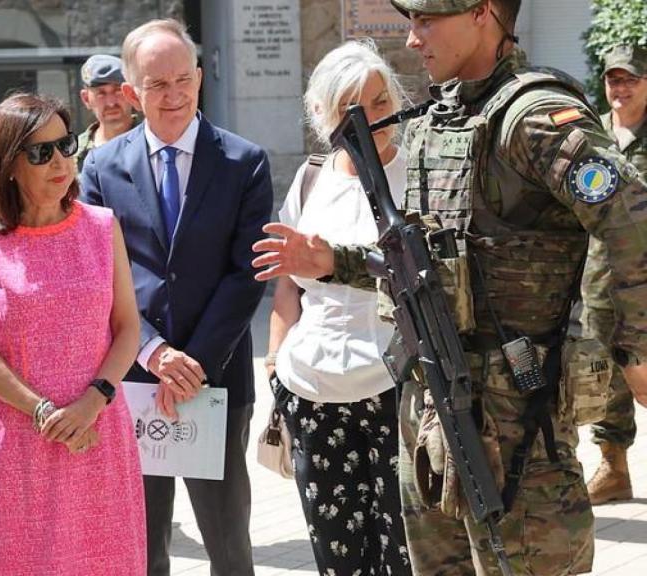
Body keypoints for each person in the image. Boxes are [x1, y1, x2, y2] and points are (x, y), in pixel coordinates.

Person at [253, 0, 647, 573]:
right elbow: (426, 257)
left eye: (427, 21)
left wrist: (634, 346)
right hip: (431, 399)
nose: (413, 40)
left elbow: (632, 218)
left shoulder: (533, 117)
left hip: (517, 412)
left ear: (484, 13)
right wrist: (335, 261)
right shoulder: (441, 118)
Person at [81, 19, 273, 576]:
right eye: (157, 84)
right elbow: (100, 278)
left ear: (200, 78)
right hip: (133, 381)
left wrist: (193, 364)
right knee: (140, 546)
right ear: (131, 93)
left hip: (215, 379)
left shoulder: (244, 162)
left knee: (228, 544)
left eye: (182, 80)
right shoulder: (100, 167)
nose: (173, 95)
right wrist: (155, 353)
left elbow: (247, 274)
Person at [0, 92, 146, 575]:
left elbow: (127, 328)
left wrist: (92, 402)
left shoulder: (103, 228)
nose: (60, 162)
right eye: (41, 153)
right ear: (10, 164)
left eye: (65, 145)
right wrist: (43, 412)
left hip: (98, 432)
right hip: (18, 444)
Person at [264, 39, 411, 576]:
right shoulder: (311, 179)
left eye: (378, 102)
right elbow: (288, 287)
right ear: (322, 116)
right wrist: (275, 362)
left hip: (395, 390)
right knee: (337, 556)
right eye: (350, 108)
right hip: (312, 391)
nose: (369, 119)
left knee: (403, 551)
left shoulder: (418, 175)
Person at [582, 43, 647, 506]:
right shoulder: (593, 136)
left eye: (631, 79)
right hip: (601, 280)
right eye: (613, 79)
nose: (620, 88)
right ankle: (614, 467)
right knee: (605, 374)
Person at [76, 54, 137, 170]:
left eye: (118, 91)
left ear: (131, 93)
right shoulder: (73, 154)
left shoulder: (153, 142)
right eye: (101, 93)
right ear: (86, 99)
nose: (111, 103)